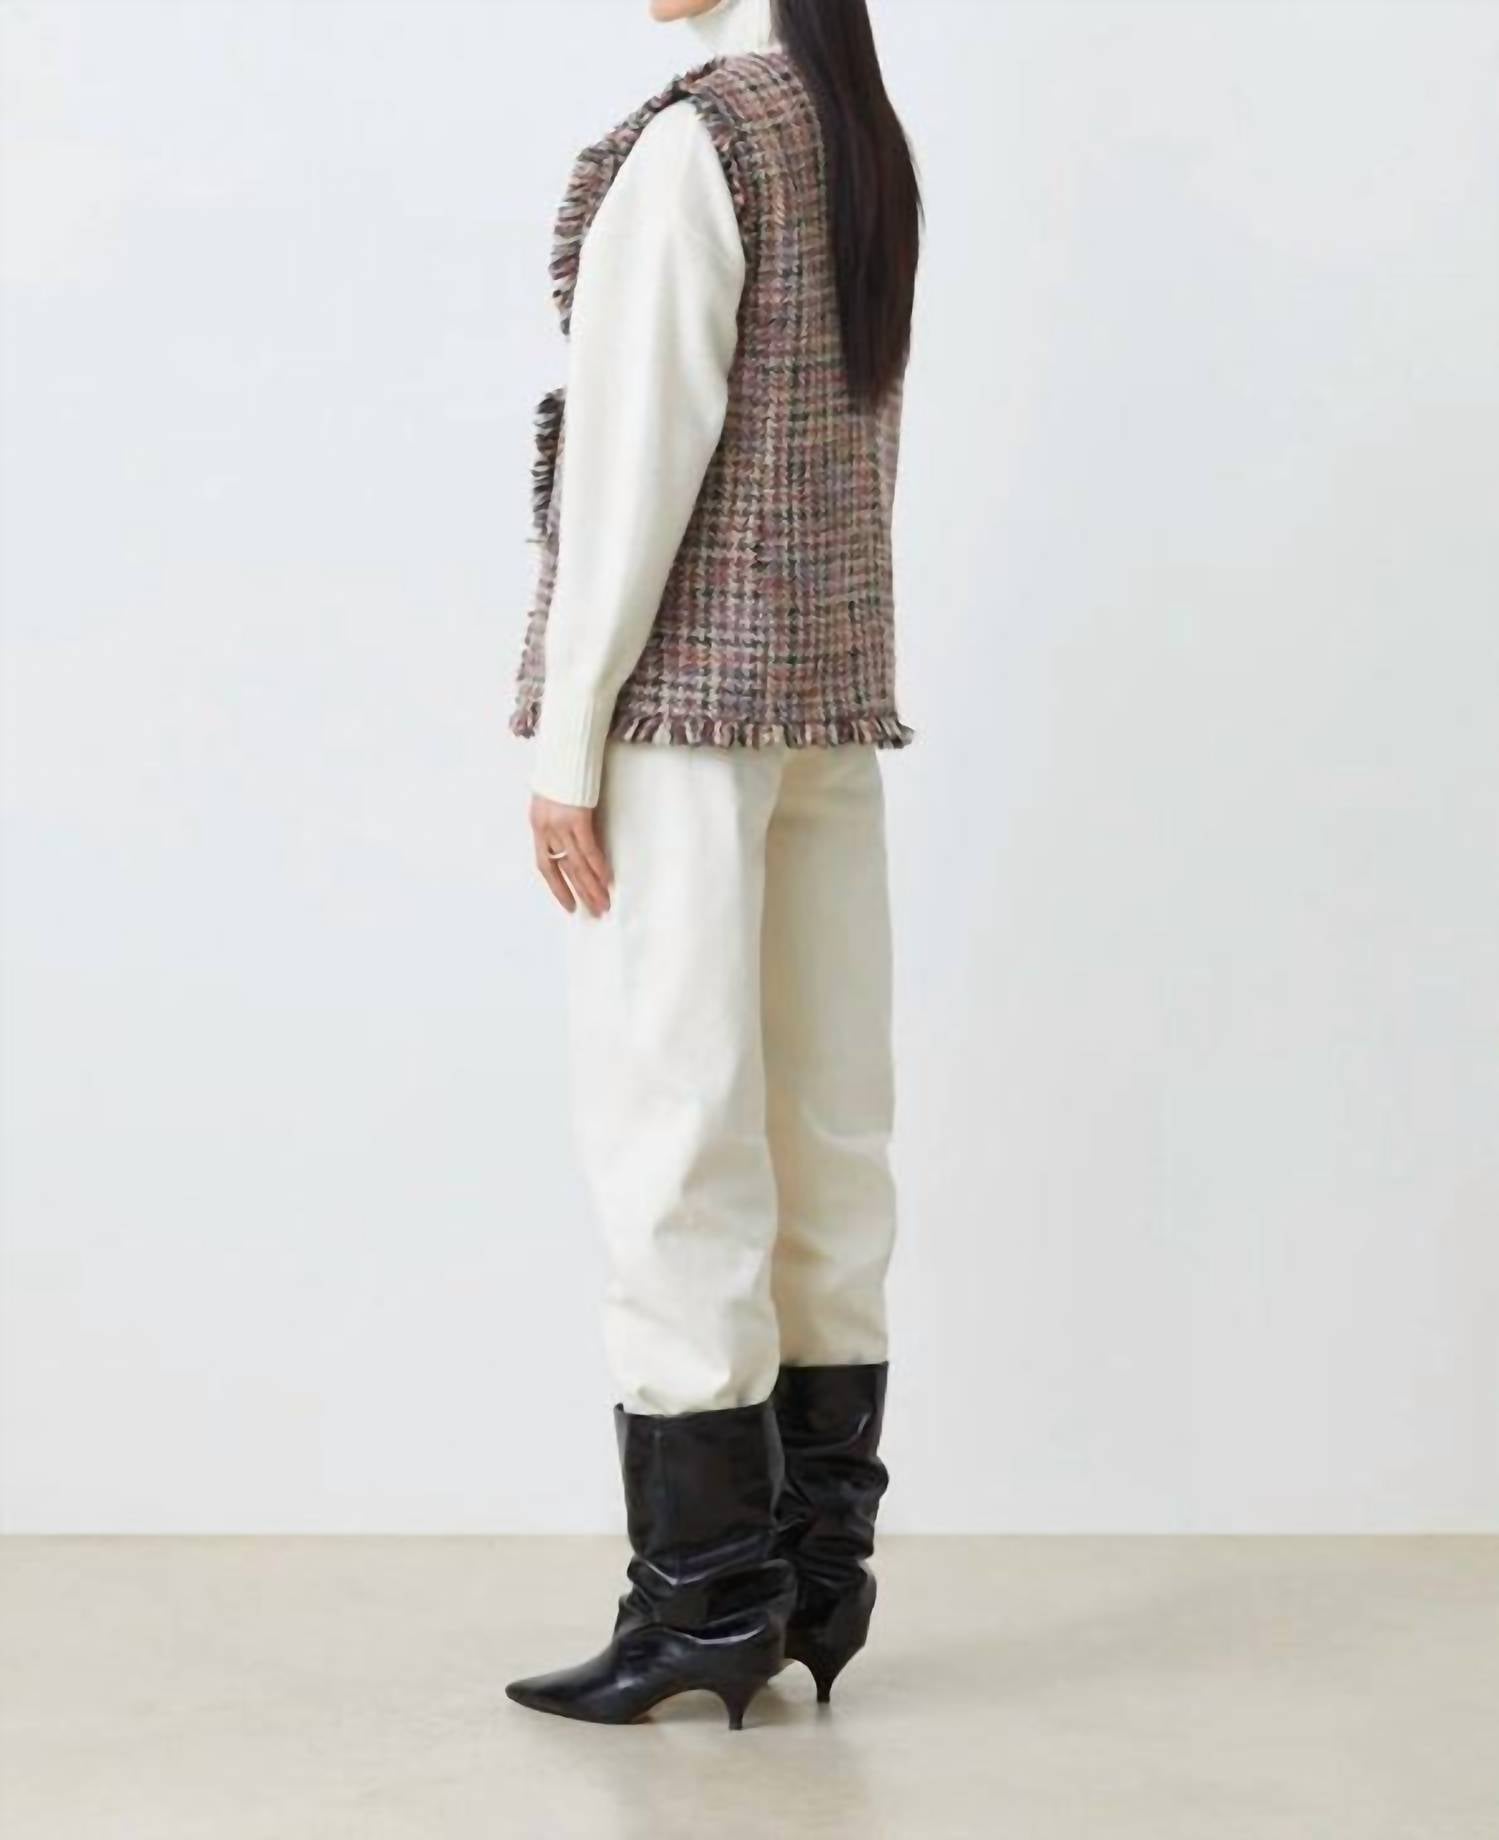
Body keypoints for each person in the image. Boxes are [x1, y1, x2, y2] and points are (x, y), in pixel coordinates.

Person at [506, 0, 921, 1730]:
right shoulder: (857, 136)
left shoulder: (699, 145)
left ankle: (702, 1604)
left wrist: (566, 736)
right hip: (827, 701)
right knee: (827, 1131)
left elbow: (632, 466)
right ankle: (815, 1575)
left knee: (670, 1126)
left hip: (683, 712)